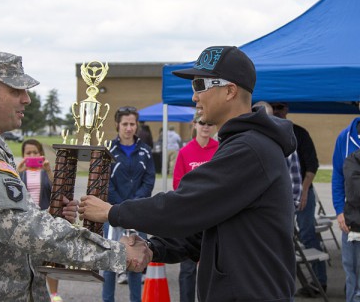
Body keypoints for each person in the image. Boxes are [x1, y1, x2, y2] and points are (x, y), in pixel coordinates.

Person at [0, 49, 151, 301]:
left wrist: (47, 218)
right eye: (16, 90)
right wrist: (115, 252)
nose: (26, 99)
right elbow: (22, 229)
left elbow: (5, 225)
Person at [80, 45, 297, 301]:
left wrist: (111, 212)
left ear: (230, 90)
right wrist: (153, 248)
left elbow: (183, 205)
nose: (194, 97)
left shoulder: (249, 149)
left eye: (199, 85)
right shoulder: (241, 145)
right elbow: (205, 225)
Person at [271, 102, 326, 295]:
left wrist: (302, 191)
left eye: (280, 107)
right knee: (280, 238)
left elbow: (312, 165)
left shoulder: (299, 133)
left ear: (286, 109)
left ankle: (320, 281)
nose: (277, 111)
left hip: (302, 192)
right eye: (273, 107)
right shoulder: (267, 134)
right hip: (278, 197)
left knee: (307, 234)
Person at [103, 106, 155, 302]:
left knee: (136, 263)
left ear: (137, 126)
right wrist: (120, 207)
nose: (128, 128)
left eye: (132, 124)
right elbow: (105, 181)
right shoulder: (108, 149)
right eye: (125, 124)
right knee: (109, 265)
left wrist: (133, 206)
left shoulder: (145, 151)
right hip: (112, 212)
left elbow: (149, 181)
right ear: (117, 125)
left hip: (138, 214)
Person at [173, 113, 218, 302]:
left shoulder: (220, 149)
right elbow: (177, 185)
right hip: (191, 219)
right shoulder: (185, 152)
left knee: (213, 269)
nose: (205, 127)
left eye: (209, 123)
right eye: (202, 123)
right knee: (188, 268)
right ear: (194, 124)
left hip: (214, 217)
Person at [17, 139, 61, 302]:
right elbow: (12, 194)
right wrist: (16, 172)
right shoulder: (20, 173)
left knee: (49, 258)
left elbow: (58, 190)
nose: (32, 155)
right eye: (28, 153)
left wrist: (49, 170)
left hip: (45, 220)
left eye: (35, 152)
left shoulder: (45, 172)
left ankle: (54, 295)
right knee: (28, 260)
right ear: (23, 156)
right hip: (27, 221)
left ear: (41, 154)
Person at [332, 117, 360, 302]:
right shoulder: (345, 137)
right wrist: (339, 211)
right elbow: (337, 176)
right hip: (351, 222)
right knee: (352, 275)